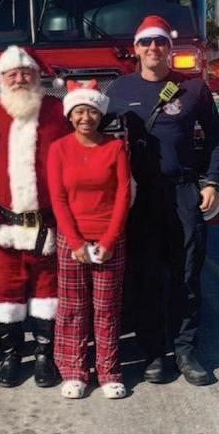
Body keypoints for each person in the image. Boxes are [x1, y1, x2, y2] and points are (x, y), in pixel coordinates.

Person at [106, 15, 219, 386]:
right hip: (141, 196)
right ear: (136, 49)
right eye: (146, 42)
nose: (153, 48)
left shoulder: (193, 88)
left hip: (183, 192)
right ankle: (154, 352)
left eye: (160, 41)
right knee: (145, 276)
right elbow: (91, 135)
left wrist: (212, 183)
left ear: (170, 48)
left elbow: (215, 139)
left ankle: (185, 350)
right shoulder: (118, 90)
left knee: (186, 273)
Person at [0, 45, 69, 388]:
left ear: (37, 76)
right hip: (2, 224)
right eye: (12, 74)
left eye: (26, 72)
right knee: (4, 291)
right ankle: (11, 355)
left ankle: (45, 355)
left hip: (47, 226)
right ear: (0, 78)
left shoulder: (58, 112)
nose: (19, 79)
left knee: (48, 292)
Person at [47, 80, 131, 399]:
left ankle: (108, 371)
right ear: (70, 115)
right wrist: (76, 242)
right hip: (73, 240)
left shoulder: (115, 147)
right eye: (79, 111)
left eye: (92, 111)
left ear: (101, 115)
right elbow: (58, 198)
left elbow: (123, 194)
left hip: (109, 239)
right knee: (73, 308)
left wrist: (109, 240)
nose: (86, 118)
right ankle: (74, 371)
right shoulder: (59, 149)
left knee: (107, 308)